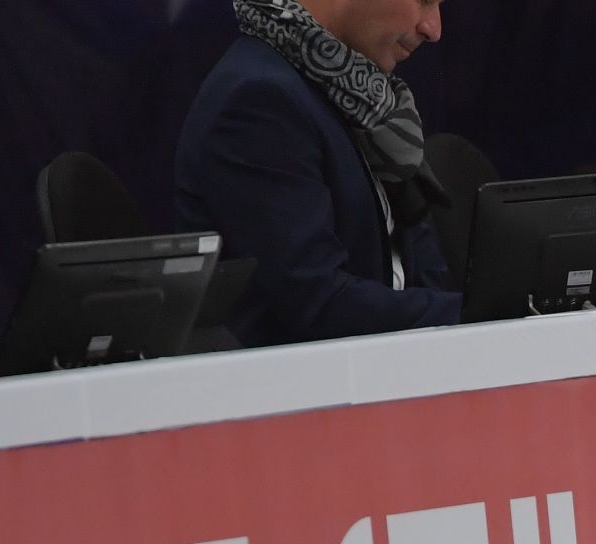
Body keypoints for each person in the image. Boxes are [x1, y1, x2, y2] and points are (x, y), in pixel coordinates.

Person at [175, 0, 462, 349]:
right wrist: (477, 315)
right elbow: (317, 303)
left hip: (391, 365)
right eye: (424, 1)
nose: (433, 29)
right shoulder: (260, 101)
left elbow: (424, 268)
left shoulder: (364, 96)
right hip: (300, 388)